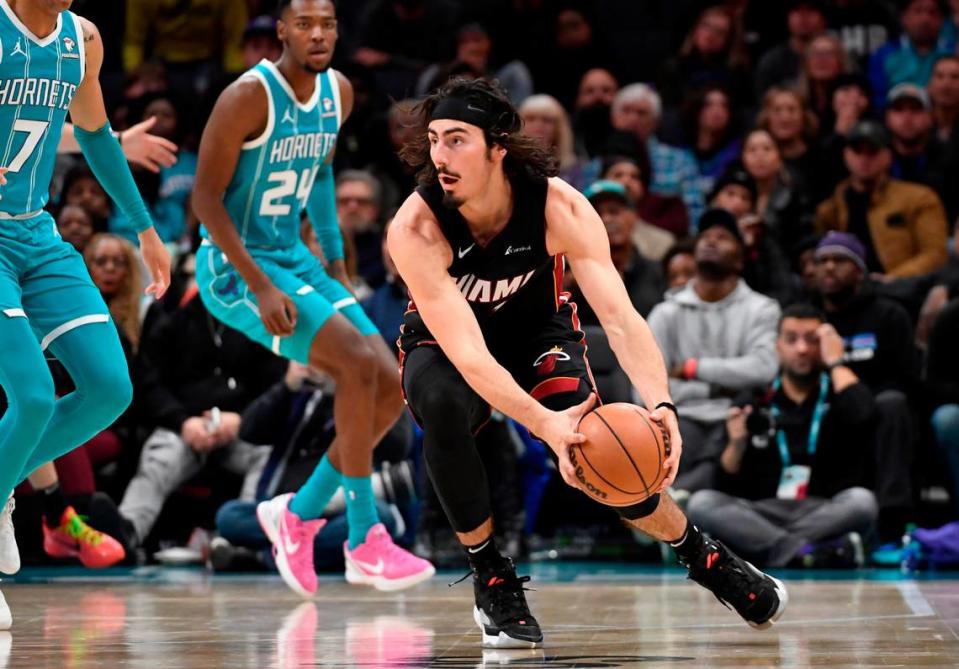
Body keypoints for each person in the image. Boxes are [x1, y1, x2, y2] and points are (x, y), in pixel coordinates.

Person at [388, 77, 787, 649]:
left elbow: (622, 319)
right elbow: (470, 354)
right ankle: (491, 575)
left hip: (536, 332)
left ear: (498, 145)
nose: (439, 156)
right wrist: (543, 424)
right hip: (446, 345)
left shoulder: (558, 205)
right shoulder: (416, 226)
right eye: (433, 140)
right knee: (447, 406)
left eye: (456, 140)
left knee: (606, 447)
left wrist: (662, 403)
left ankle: (702, 554)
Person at [191, 0, 433, 597]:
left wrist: (333, 253)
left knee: (387, 385)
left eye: (327, 23)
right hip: (235, 268)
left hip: (297, 260)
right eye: (305, 23)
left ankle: (295, 515)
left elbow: (320, 171)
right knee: (354, 365)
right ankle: (362, 536)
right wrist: (260, 284)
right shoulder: (247, 97)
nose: (319, 33)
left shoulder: (338, 93)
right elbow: (205, 201)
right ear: (282, 31)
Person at [0, 0, 171, 630]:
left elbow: (95, 136)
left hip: (36, 234)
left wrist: (146, 229)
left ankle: (0, 485)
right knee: (33, 396)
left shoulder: (84, 40)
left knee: (108, 388)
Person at [687, 304, 878, 568]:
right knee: (702, 503)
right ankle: (808, 552)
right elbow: (725, 478)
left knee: (862, 501)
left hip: (821, 509)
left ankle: (767, 549)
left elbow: (866, 416)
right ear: (777, 345)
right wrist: (737, 443)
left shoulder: (839, 392)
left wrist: (836, 362)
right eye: (791, 339)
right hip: (762, 511)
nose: (802, 349)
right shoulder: (755, 398)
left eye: (812, 340)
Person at [648, 208, 782, 494]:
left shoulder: (762, 308)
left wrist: (692, 369)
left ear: (740, 258)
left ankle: (665, 508)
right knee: (672, 436)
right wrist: (715, 389)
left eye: (722, 238)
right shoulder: (665, 313)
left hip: (737, 413)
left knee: (734, 434)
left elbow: (763, 369)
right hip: (682, 415)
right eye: (705, 237)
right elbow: (646, 389)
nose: (710, 242)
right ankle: (678, 505)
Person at [815, 120, 948, 279]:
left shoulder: (919, 199)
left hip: (904, 290)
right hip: (846, 292)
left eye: (872, 151)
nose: (864, 159)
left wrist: (892, 279)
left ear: (888, 156)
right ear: (846, 155)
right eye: (858, 151)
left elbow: (935, 254)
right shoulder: (830, 209)